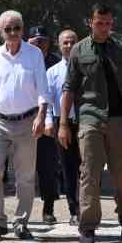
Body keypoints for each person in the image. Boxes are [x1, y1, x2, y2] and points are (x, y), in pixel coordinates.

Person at [60, 4, 122, 243]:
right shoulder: (78, 50)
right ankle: (87, 227)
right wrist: (64, 124)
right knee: (90, 173)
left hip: (119, 120)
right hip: (89, 118)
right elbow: (68, 89)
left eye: (108, 23)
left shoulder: (121, 49)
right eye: (100, 23)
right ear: (91, 22)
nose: (105, 28)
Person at [0, 10, 51, 241]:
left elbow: (43, 89)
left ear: (22, 29)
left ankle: (21, 223)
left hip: (27, 121)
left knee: (26, 176)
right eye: (7, 29)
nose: (12, 33)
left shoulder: (34, 54)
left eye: (16, 28)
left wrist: (41, 116)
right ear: (0, 31)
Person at [44, 29, 81, 224]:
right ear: (59, 46)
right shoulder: (52, 72)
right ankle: (74, 210)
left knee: (87, 168)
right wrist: (50, 122)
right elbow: (48, 101)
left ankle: (87, 208)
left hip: (84, 123)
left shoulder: (86, 68)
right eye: (65, 42)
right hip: (62, 124)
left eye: (72, 42)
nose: (69, 46)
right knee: (68, 169)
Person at [29, 30, 64, 224]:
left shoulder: (56, 63)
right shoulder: (22, 59)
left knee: (47, 167)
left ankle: (48, 208)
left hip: (48, 120)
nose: (40, 45)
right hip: (23, 118)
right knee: (24, 167)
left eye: (43, 41)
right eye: (35, 41)